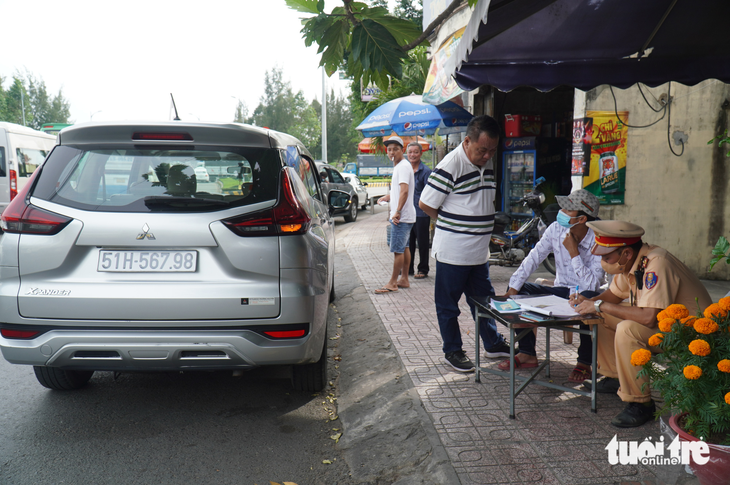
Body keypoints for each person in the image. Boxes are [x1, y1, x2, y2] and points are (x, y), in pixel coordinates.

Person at [571, 221, 712, 428]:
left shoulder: (656, 263)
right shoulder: (630, 262)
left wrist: (599, 305)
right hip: (665, 325)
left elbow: (647, 317)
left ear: (626, 253)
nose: (603, 261)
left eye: (606, 256)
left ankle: (640, 404)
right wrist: (587, 302)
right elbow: (612, 296)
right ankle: (615, 377)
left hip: (690, 334)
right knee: (599, 314)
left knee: (627, 329)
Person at [419, 115, 510, 372]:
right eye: (482, 150)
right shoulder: (451, 164)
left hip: (479, 253)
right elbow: (426, 204)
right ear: (467, 141)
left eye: (492, 150)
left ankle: (492, 343)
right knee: (448, 305)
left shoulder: (487, 160)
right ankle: (453, 351)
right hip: (453, 253)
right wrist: (452, 224)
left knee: (483, 301)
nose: (487, 155)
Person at [499, 189, 605, 381]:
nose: (561, 211)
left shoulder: (599, 238)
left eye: (568, 210)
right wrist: (512, 289)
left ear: (582, 219)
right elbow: (533, 258)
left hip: (583, 294)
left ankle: (584, 362)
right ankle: (527, 352)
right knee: (519, 288)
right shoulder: (556, 229)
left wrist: (574, 254)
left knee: (588, 296)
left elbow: (593, 283)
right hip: (560, 291)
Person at [374, 136, 416, 294]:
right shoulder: (400, 166)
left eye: (395, 149)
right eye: (389, 149)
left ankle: (392, 282)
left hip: (402, 216)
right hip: (405, 215)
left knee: (398, 250)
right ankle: (404, 279)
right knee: (404, 247)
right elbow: (399, 191)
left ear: (402, 150)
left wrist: (397, 212)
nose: (391, 152)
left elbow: (404, 191)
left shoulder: (403, 167)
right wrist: (387, 197)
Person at [406, 141, 432, 279]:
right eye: (410, 152)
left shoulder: (426, 171)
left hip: (421, 213)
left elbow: (430, 193)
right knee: (408, 243)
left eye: (416, 152)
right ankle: (408, 269)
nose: (412, 155)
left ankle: (423, 269)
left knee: (422, 243)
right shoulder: (405, 170)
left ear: (421, 154)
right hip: (407, 213)